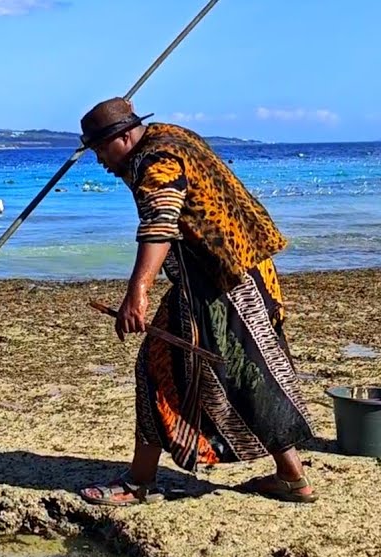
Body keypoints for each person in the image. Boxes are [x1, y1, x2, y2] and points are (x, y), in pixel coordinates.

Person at [74, 98, 317, 507]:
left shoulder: (157, 162)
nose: (99, 160)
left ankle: (138, 482)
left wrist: (138, 292)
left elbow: (159, 225)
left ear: (126, 136)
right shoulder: (171, 136)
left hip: (224, 283)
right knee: (251, 375)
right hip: (247, 271)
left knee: (164, 368)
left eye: (101, 148)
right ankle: (292, 477)